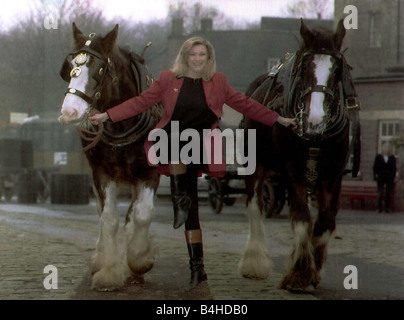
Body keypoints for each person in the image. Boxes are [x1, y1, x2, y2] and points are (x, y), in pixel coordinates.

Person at [89, 37, 297, 289]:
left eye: (202, 55)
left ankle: (197, 266)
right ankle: (180, 199)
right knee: (178, 158)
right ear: (185, 57)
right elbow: (140, 103)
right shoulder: (167, 79)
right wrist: (107, 115)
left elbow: (245, 104)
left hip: (200, 143)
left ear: (209, 58)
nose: (198, 60)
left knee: (192, 214)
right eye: (193, 55)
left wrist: (277, 119)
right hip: (172, 139)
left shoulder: (218, 82)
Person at [373, 142, 396, 213]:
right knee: (380, 192)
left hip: (389, 178)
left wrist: (392, 176)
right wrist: (376, 174)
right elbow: (375, 167)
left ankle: (387, 208)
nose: (386, 149)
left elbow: (394, 168)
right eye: (385, 147)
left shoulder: (392, 158)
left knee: (388, 193)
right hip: (381, 177)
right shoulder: (378, 157)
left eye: (388, 148)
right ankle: (379, 208)